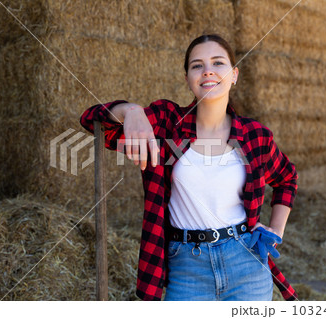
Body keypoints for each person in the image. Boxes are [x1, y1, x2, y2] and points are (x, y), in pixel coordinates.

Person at [80, 34, 298, 301]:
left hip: (246, 262)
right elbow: (91, 120)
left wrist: (275, 231)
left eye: (218, 63)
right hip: (186, 266)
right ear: (187, 79)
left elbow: (287, 177)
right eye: (197, 65)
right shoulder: (165, 123)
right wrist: (132, 111)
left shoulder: (256, 135)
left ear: (234, 74)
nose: (207, 70)